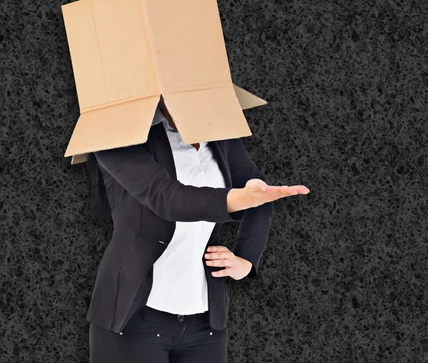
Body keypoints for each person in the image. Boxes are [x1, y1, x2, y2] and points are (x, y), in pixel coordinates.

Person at [86, 96, 309, 362]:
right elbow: (166, 198)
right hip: (133, 319)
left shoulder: (221, 136)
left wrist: (246, 260)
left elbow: (260, 195)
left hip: (205, 324)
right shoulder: (117, 135)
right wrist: (239, 198)